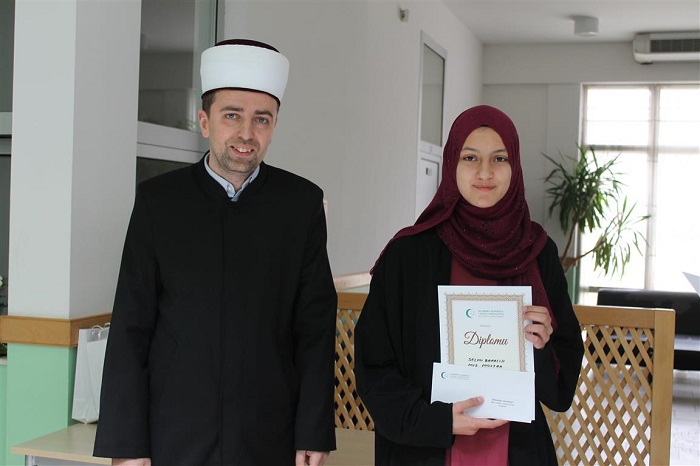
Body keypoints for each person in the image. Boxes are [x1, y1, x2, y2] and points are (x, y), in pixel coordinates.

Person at [93, 39, 337, 466]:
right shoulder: (158, 202)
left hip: (270, 433)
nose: (247, 133)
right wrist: (127, 447)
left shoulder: (301, 205)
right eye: (232, 115)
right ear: (204, 122)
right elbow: (131, 326)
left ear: (274, 125)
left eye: (262, 119)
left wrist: (313, 431)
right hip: (174, 433)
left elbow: (315, 327)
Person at [354, 105, 584, 465]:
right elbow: (374, 366)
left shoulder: (538, 252)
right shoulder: (407, 255)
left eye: (499, 158)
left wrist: (542, 345)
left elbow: (559, 390)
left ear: (515, 165)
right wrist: (436, 420)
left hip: (516, 450)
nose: (485, 172)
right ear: (451, 164)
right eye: (470, 157)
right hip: (423, 450)